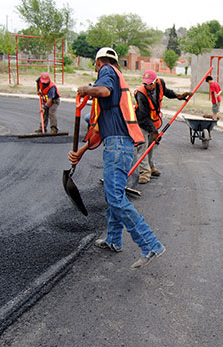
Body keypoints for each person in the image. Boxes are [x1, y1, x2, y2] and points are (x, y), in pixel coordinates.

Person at [68, 47, 165, 270]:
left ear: (98, 62)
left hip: (119, 147)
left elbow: (102, 91)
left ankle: (150, 244)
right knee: (115, 194)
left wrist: (85, 89)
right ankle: (113, 240)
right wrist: (81, 151)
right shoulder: (116, 90)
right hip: (120, 145)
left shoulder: (107, 71)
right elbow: (100, 130)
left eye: (95, 65)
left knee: (115, 198)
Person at [134, 69, 191, 184]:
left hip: (154, 120)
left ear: (155, 81)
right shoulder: (141, 94)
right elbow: (143, 117)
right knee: (142, 147)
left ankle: (151, 167)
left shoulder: (160, 83)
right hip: (141, 122)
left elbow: (166, 92)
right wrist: (154, 132)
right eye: (145, 84)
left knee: (151, 146)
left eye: (150, 84)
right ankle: (144, 173)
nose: (148, 86)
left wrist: (177, 96)